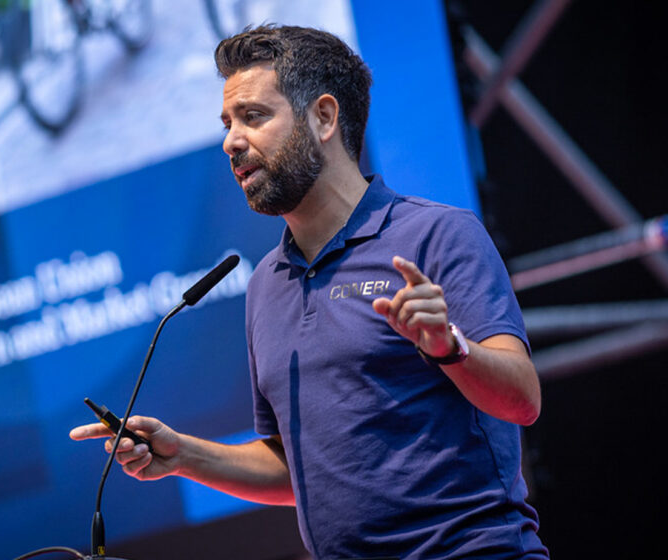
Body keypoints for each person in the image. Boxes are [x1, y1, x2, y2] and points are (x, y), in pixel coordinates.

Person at [70, 25, 548, 559]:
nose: (231, 140)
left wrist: (449, 349)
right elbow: (296, 468)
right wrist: (183, 455)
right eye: (227, 123)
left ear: (323, 117)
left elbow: (522, 401)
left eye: (253, 116)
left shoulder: (437, 235)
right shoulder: (264, 287)